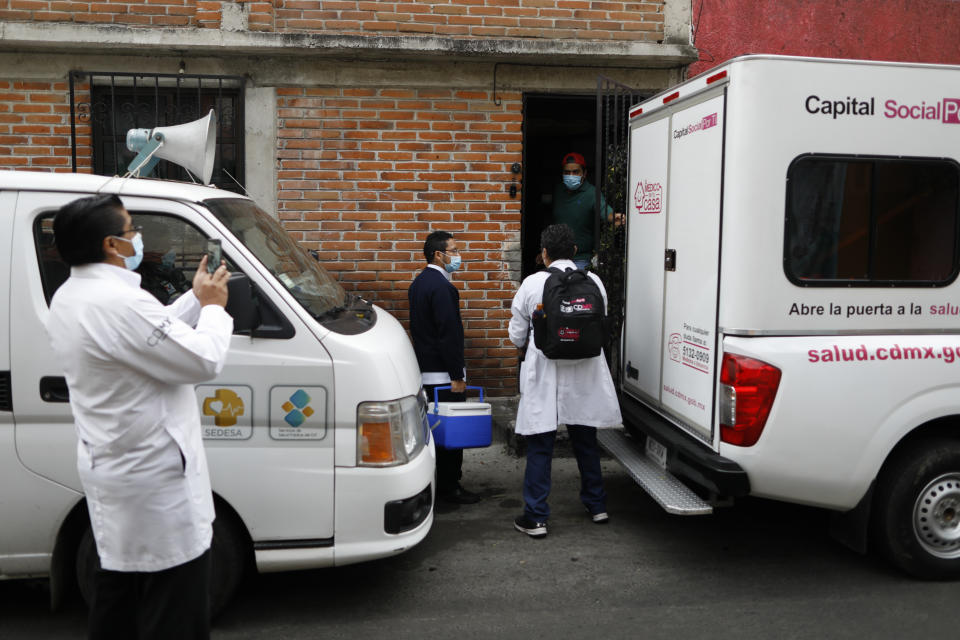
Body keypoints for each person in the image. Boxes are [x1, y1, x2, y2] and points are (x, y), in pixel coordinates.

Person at [45, 194, 233, 639]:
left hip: (118, 473)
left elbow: (147, 336)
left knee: (118, 598)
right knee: (174, 611)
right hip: (154, 484)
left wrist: (193, 298)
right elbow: (202, 360)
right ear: (112, 244)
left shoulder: (72, 296)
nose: (138, 239)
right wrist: (213, 308)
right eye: (132, 231)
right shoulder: (119, 304)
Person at [508, 223, 622, 538]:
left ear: (544, 254)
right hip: (584, 373)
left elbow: (517, 335)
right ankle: (597, 506)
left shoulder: (532, 284)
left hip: (545, 373)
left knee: (540, 445)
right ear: (574, 252)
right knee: (585, 442)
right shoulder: (594, 282)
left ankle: (536, 517)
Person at [407, 230, 481, 505]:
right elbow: (449, 335)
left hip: (425, 371)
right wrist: (457, 375)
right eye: (454, 250)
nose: (458, 256)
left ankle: (437, 483)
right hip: (444, 376)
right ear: (438, 254)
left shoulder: (418, 284)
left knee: (433, 433)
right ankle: (450, 488)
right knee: (452, 434)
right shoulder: (442, 288)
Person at [551, 151, 623, 270]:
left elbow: (604, 209)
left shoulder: (591, 193)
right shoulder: (558, 191)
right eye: (567, 172)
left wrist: (613, 216)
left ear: (584, 173)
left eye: (575, 172)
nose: (571, 175)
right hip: (556, 258)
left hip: (580, 260)